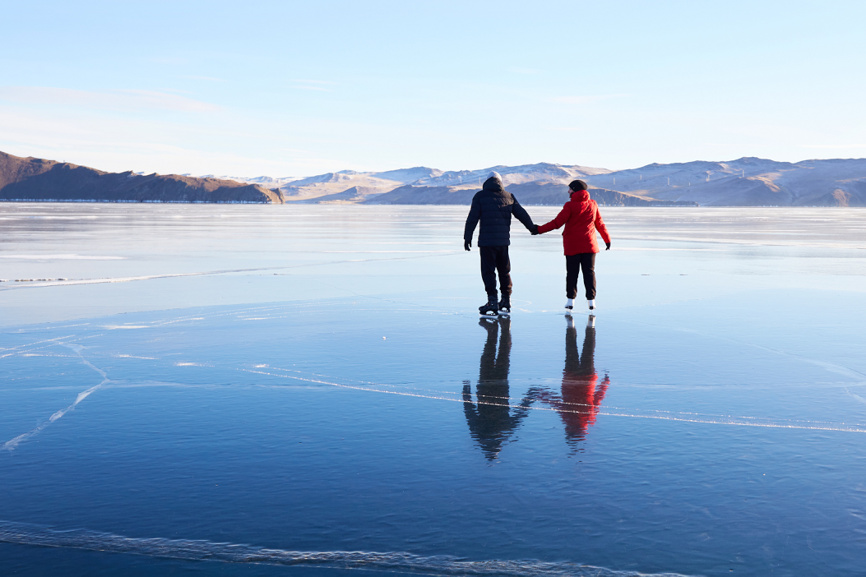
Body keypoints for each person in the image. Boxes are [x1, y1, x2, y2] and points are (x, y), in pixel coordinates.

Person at [464, 172, 537, 315]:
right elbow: (521, 213)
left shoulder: (480, 196)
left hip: (486, 243)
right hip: (503, 242)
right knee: (504, 271)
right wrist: (532, 228)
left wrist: (467, 237)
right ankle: (506, 300)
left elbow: (472, 217)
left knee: (488, 271)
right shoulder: (508, 196)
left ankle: (492, 301)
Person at [535, 179, 611, 312]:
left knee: (572, 274)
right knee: (589, 273)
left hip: (573, 246)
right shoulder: (593, 204)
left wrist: (538, 230)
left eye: (570, 189)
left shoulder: (570, 206)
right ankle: (591, 301)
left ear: (575, 190)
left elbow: (557, 223)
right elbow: (599, 223)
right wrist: (607, 239)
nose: (568, 191)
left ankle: (570, 301)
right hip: (589, 245)